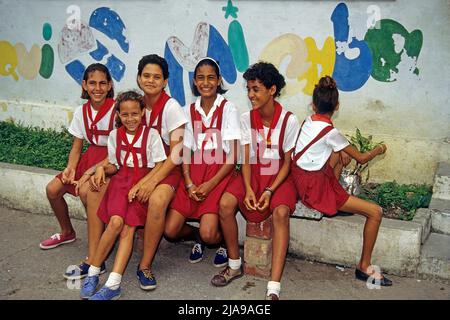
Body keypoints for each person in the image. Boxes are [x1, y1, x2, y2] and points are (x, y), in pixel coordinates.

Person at [291, 75, 391, 287]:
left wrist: (341, 151)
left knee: (340, 154)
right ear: (337, 106)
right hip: (315, 189)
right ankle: (364, 266)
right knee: (375, 212)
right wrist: (379, 149)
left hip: (300, 179)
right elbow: (362, 158)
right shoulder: (331, 132)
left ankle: (338, 201)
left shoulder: (308, 121)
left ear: (312, 104)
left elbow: (329, 145)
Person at [211, 62, 300, 300]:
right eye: (249, 89)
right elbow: (247, 158)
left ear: (272, 90)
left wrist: (270, 190)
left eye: (256, 89)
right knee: (225, 204)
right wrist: (249, 189)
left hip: (279, 177)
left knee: (281, 213)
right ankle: (234, 263)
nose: (251, 95)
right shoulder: (246, 118)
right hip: (253, 173)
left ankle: (274, 285)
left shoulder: (289, 120)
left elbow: (288, 163)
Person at [79, 91, 167, 300]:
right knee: (115, 222)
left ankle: (113, 283)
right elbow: (114, 164)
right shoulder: (114, 135)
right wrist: (101, 169)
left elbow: (160, 165)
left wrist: (141, 185)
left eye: (135, 114)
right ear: (118, 114)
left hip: (141, 183)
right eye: (125, 114)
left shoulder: (151, 135)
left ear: (142, 112)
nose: (130, 119)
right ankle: (93, 272)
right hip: (120, 184)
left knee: (128, 229)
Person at [164, 57, 240, 268]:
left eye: (210, 78)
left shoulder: (228, 109)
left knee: (210, 235)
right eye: (200, 78)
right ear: (195, 82)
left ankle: (222, 240)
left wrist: (210, 184)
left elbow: (233, 156)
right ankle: (196, 236)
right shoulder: (187, 110)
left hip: (219, 173)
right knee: (170, 230)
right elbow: (186, 149)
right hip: (194, 173)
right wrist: (188, 181)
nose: (206, 83)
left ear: (218, 81)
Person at [40, 63, 115, 252]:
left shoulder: (117, 110)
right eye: (92, 83)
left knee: (86, 192)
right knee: (53, 190)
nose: (97, 88)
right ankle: (67, 232)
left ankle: (99, 241)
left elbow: (120, 148)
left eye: (102, 83)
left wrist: (92, 172)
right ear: (84, 85)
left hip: (111, 159)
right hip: (89, 157)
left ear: (109, 85)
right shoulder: (81, 112)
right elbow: (77, 145)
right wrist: (70, 168)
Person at [131, 54, 187, 291]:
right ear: (138, 78)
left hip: (167, 169)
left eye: (157, 77)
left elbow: (176, 155)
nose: (151, 81)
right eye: (146, 75)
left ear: (165, 81)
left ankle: (144, 266)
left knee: (156, 199)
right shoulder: (135, 104)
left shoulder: (172, 107)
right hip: (140, 165)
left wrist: (150, 181)